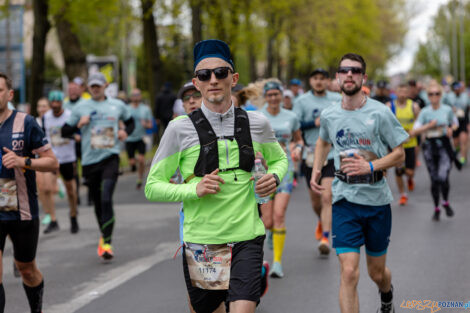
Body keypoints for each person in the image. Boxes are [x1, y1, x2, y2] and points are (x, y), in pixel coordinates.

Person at [145, 39, 287, 313]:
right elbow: (152, 187)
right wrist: (193, 190)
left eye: (221, 73)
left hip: (247, 235)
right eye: (204, 75)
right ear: (196, 83)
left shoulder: (257, 123)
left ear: (233, 79)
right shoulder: (179, 129)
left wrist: (275, 177)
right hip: (203, 243)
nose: (213, 79)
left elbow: (280, 159)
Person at [311, 53, 409, 313]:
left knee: (376, 274)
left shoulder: (379, 112)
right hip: (344, 200)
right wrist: (317, 169)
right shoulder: (330, 114)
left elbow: (400, 154)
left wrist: (370, 166)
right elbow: (322, 141)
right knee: (349, 272)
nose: (350, 75)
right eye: (344, 71)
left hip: (376, 201)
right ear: (338, 77)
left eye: (355, 71)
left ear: (363, 77)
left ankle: (386, 293)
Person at [0, 72, 59, 313]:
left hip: (21, 212)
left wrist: (23, 161)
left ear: (9, 94)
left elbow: (52, 162)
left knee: (27, 269)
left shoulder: (25, 122)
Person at [62, 72, 135, 260]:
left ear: (105, 86)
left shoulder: (117, 105)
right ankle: (104, 235)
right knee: (97, 202)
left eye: (98, 85)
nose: (95, 88)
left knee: (105, 198)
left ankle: (107, 242)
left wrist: (125, 132)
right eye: (92, 86)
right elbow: (65, 131)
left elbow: (130, 122)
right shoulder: (80, 107)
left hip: (111, 157)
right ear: (88, 88)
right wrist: (79, 124)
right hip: (89, 161)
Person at [260, 81, 303, 278]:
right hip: (262, 171)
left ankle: (277, 262)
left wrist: (298, 149)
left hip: (285, 169)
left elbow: (298, 139)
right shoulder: (258, 117)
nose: (273, 98)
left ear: (281, 95)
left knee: (279, 216)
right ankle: (271, 233)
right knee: (267, 221)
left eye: (276, 94)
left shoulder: (291, 116)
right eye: (269, 95)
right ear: (265, 97)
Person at [293, 68, 338, 255]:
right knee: (316, 201)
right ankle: (321, 220)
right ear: (310, 81)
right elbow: (295, 125)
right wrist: (314, 123)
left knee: (327, 197)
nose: (319, 82)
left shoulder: (336, 99)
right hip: (309, 155)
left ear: (327, 81)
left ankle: (326, 237)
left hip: (331, 153)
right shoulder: (301, 101)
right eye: (315, 78)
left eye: (322, 78)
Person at [410, 82, 459, 221]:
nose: (434, 97)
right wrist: (428, 126)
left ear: (441, 95)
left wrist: (451, 129)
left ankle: (446, 202)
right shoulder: (425, 112)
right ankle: (436, 207)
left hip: (444, 144)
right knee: (434, 179)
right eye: (431, 94)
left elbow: (455, 123)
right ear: (428, 96)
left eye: (437, 94)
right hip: (429, 146)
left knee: (443, 176)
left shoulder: (447, 109)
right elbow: (414, 131)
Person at [43, 90, 80, 233]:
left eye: (57, 102)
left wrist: (75, 137)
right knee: (47, 188)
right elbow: (43, 135)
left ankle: (73, 215)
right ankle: (53, 220)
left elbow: (77, 132)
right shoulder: (46, 117)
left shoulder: (69, 116)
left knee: (71, 190)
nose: (55, 105)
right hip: (52, 157)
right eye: (52, 102)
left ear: (61, 103)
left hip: (67, 157)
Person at [386, 84, 420, 206]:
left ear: (408, 92)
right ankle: (403, 194)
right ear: (396, 92)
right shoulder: (390, 106)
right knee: (398, 170)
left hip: (410, 143)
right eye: (400, 91)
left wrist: (413, 131)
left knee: (410, 172)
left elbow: (419, 121)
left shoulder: (414, 106)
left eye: (405, 91)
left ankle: (410, 178)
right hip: (396, 144)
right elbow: (386, 123)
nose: (403, 94)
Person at [125, 88, 153, 189]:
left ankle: (140, 179)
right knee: (132, 162)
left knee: (141, 160)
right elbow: (120, 121)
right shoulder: (126, 108)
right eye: (134, 95)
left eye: (138, 95)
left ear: (140, 96)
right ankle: (132, 163)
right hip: (129, 138)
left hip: (141, 137)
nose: (136, 97)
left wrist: (145, 124)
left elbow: (150, 125)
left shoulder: (146, 109)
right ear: (131, 97)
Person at [442, 81, 469, 165]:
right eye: (456, 89)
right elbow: (443, 105)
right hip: (453, 121)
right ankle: (457, 149)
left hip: (463, 120)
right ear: (453, 89)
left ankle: (463, 158)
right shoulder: (448, 96)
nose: (458, 90)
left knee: (463, 140)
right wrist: (450, 108)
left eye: (459, 88)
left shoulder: (465, 96)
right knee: (456, 142)